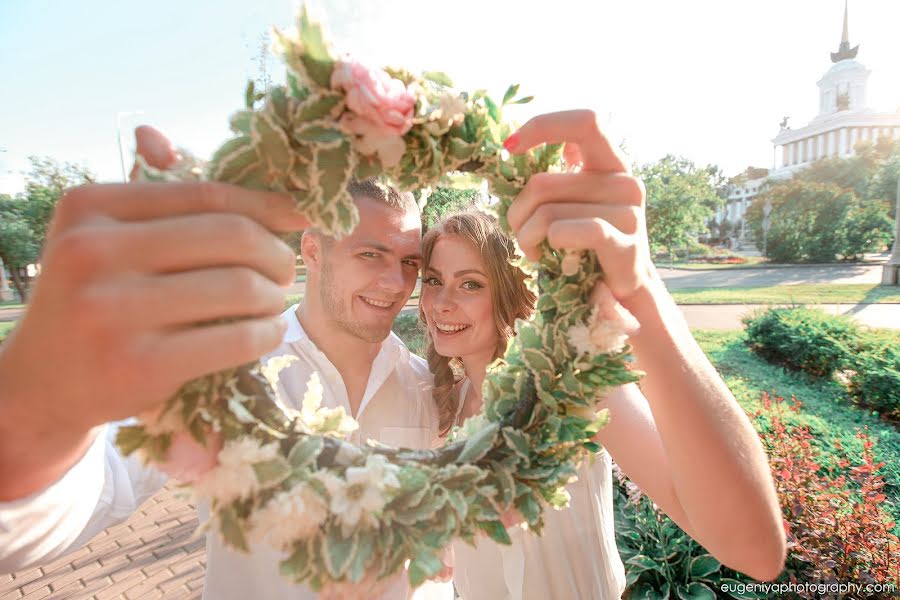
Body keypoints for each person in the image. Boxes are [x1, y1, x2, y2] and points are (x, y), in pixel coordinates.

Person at [0, 126, 452, 600]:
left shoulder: (423, 385)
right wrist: (40, 411)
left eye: (409, 263)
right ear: (313, 250)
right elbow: (89, 493)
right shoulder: (223, 369)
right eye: (370, 253)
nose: (396, 281)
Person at [418, 111, 787, 599]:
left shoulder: (574, 389)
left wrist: (639, 291)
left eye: (469, 284)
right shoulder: (442, 401)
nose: (442, 302)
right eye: (432, 281)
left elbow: (754, 551)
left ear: (510, 292)